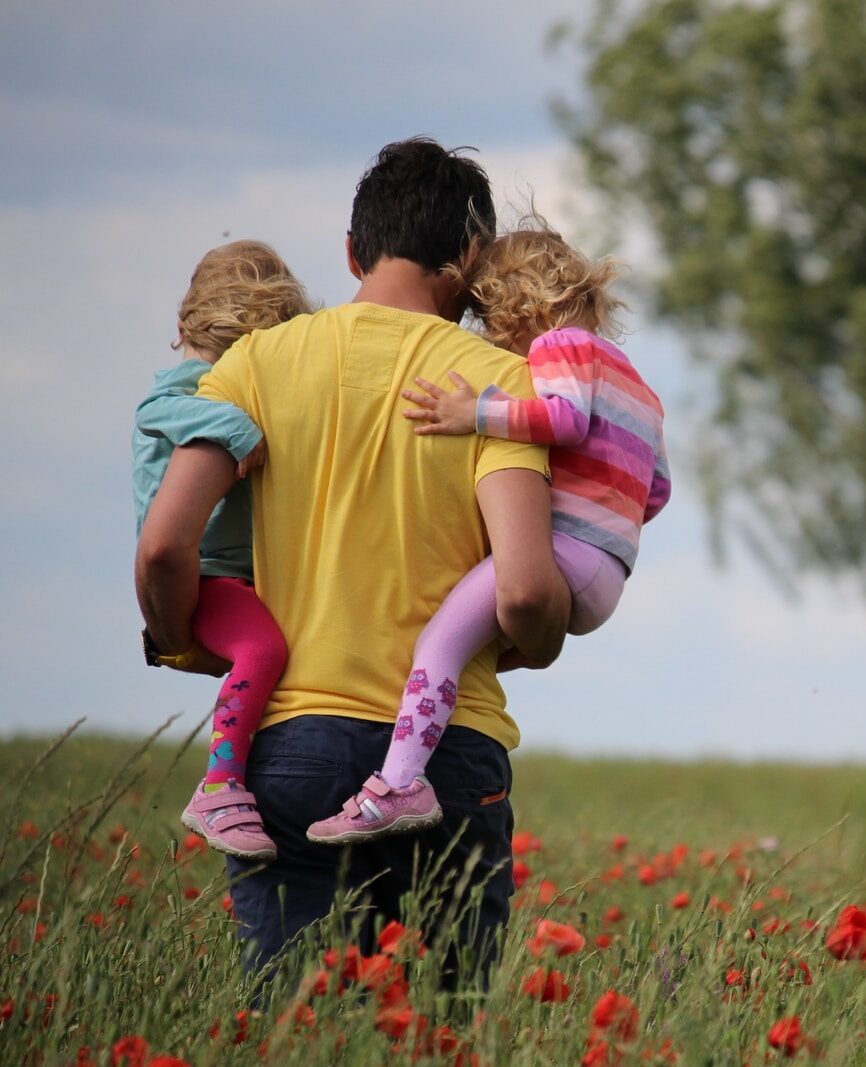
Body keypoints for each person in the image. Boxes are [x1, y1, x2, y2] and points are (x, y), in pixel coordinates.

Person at [135, 138, 572, 984]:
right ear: (472, 257)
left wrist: (182, 637)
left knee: (298, 1025)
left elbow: (162, 544)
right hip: (448, 756)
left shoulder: (256, 363)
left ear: (351, 252)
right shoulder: (499, 385)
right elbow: (522, 590)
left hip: (291, 748)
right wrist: (543, 635)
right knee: (441, 1032)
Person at [307, 224, 671, 844]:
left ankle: (399, 784)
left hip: (564, 554)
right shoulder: (640, 385)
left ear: (519, 306)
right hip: (609, 571)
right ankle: (419, 754)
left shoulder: (560, 347)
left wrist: (472, 413)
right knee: (471, 646)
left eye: (492, 321)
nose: (497, 341)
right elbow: (656, 490)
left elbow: (563, 418)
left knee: (438, 645)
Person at [133, 240, 313, 862]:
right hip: (207, 575)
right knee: (264, 649)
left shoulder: (217, 380)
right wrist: (237, 428)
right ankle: (220, 785)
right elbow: (157, 409)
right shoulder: (189, 388)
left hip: (236, 576)